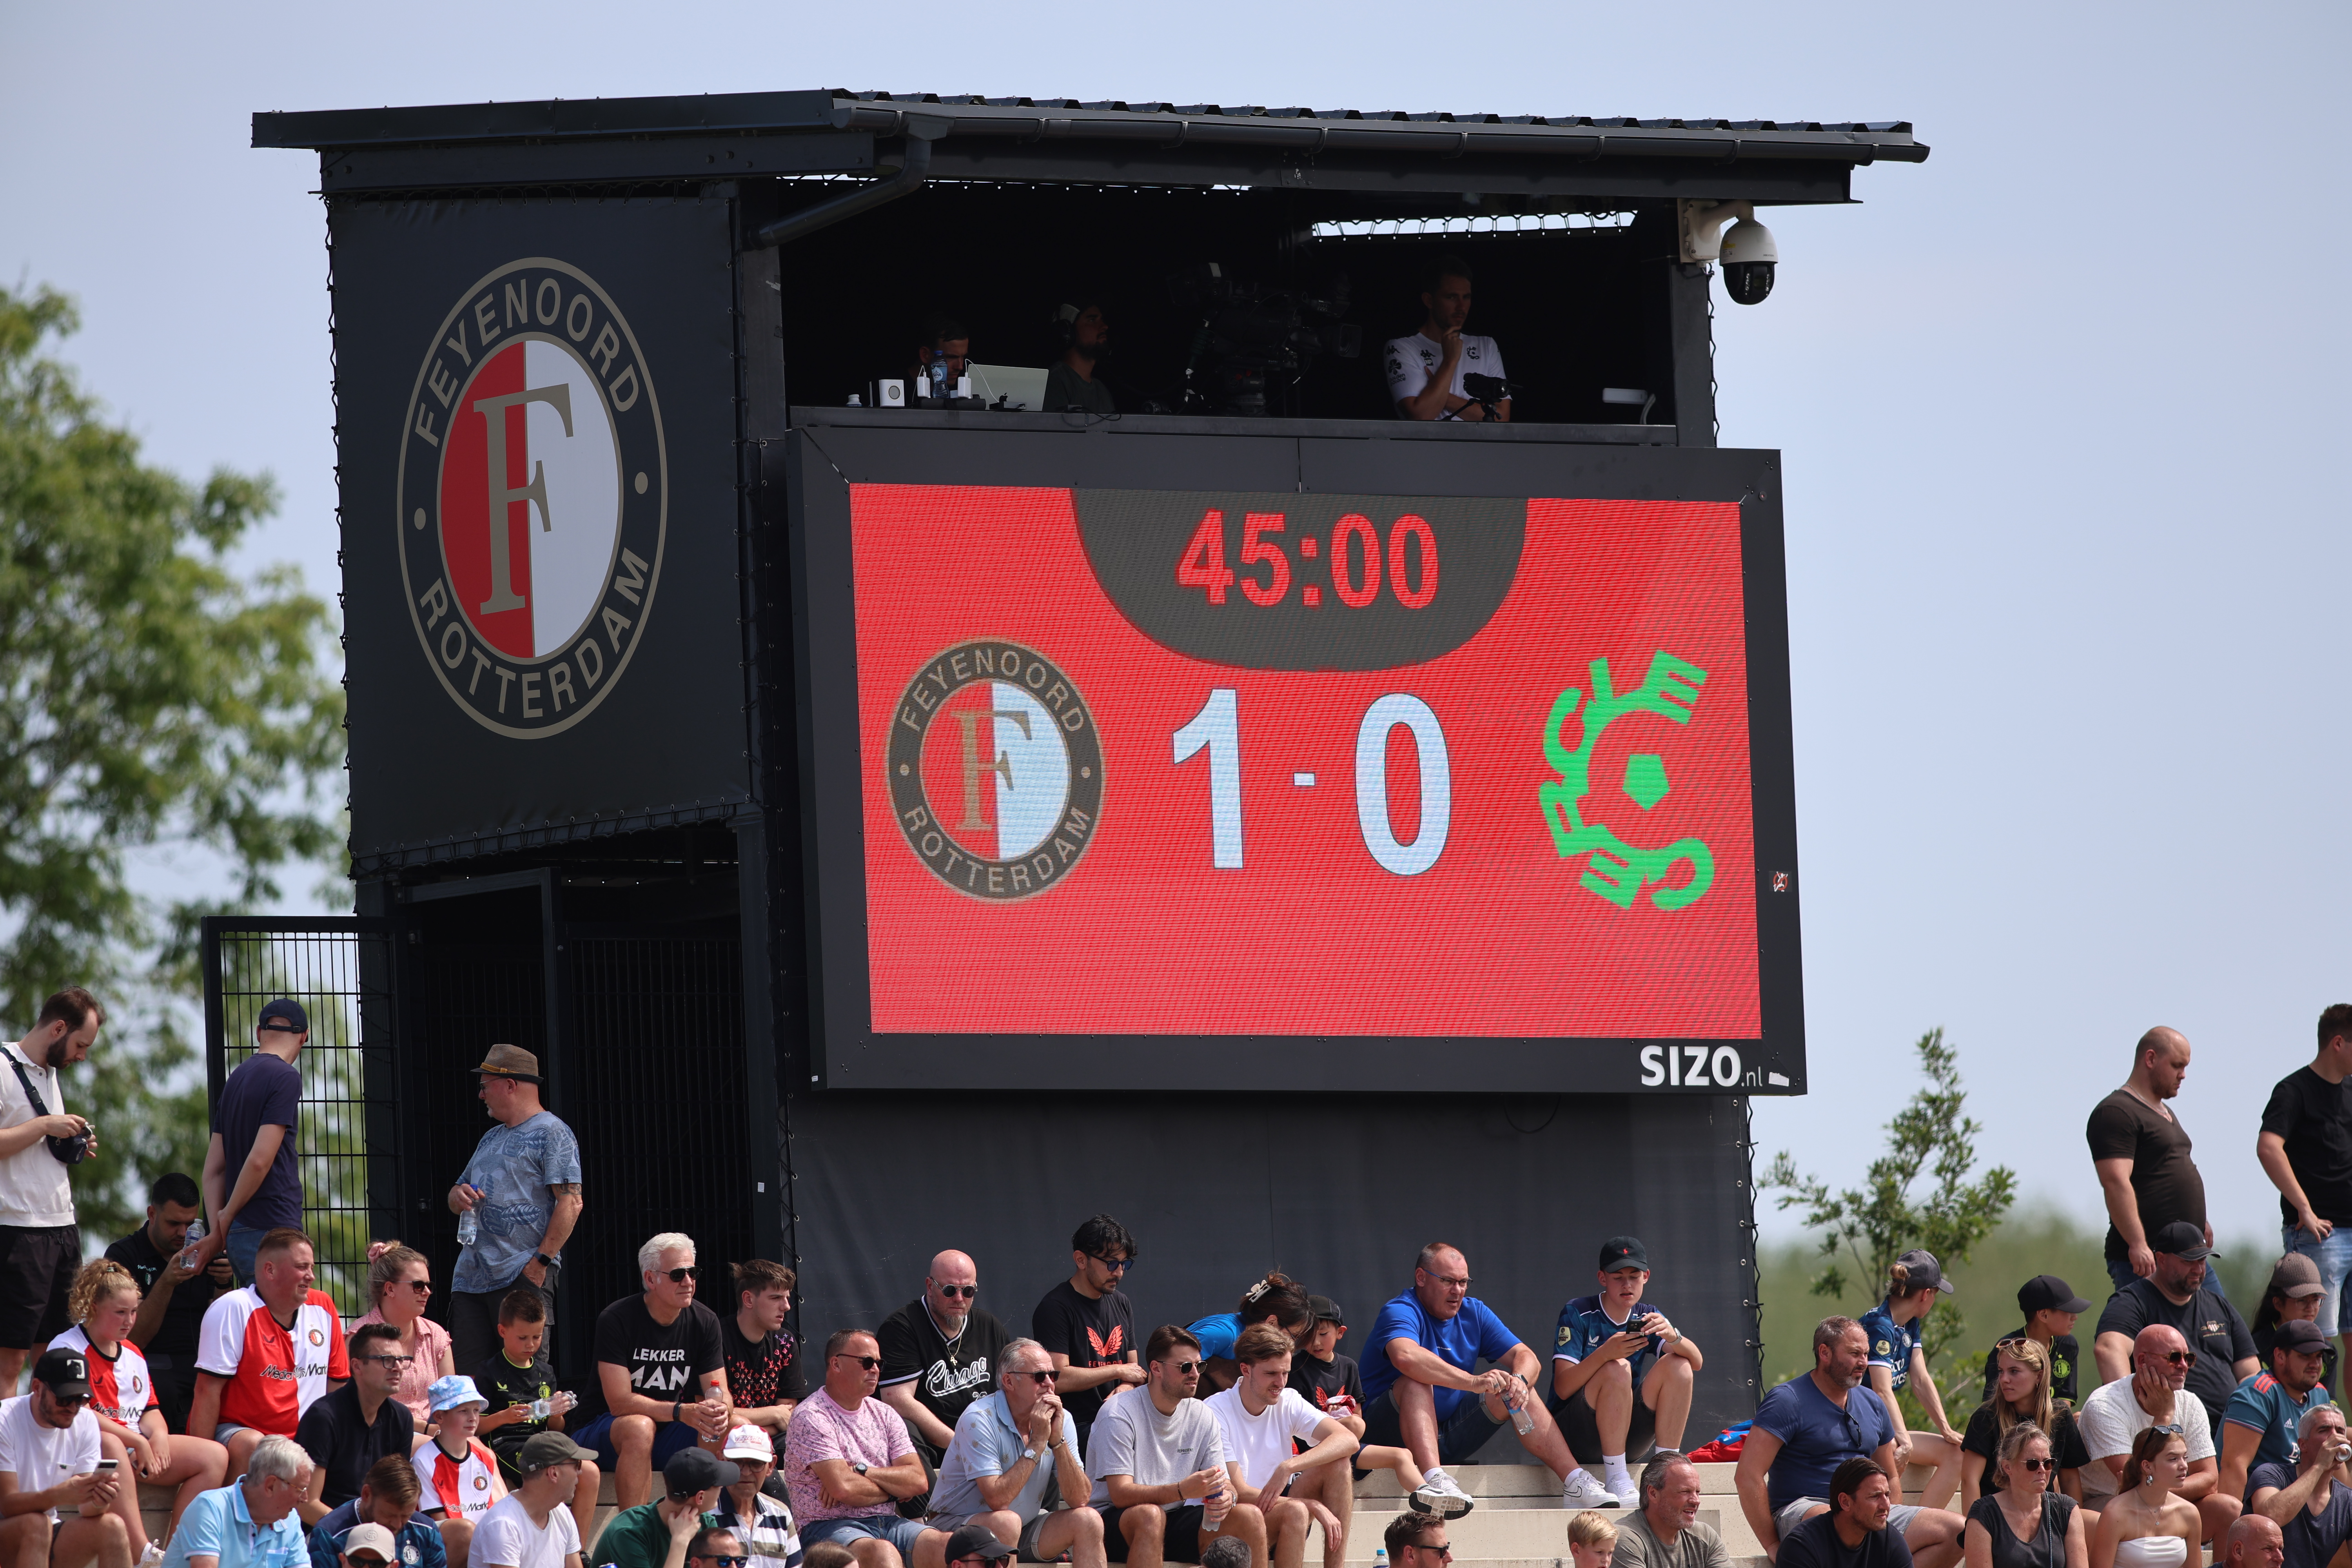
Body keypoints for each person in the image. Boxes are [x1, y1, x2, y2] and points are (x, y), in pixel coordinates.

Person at [1359, 1241, 1619, 1513]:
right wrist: (1472, 1382)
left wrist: (1518, 1380)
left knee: (1514, 1385)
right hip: (1385, 1439)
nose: (1457, 1291)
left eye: (1464, 1282)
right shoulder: (1400, 1309)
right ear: (1421, 1278)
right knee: (1415, 1380)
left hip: (1443, 1437)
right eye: (1448, 1281)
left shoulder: (1475, 1312)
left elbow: (1527, 1357)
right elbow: (1406, 1358)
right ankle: (1434, 1479)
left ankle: (1574, 1481)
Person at [1734, 1316, 1964, 1568]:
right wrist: (1772, 1546)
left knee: (1959, 1531)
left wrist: (1888, 1532)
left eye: (1866, 1354)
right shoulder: (1787, 1400)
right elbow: (1748, 1476)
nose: (1864, 1363)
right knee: (1836, 1522)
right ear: (1825, 1353)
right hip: (1807, 1509)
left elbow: (1891, 1477)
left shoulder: (1873, 1403)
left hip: (1865, 1509)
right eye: (1855, 1354)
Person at [56, 1259, 230, 1551]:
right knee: (111, 1444)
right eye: (121, 1313)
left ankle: (175, 1553)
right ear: (95, 1307)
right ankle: (143, 1554)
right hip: (84, 1448)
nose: (130, 1321)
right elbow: (79, 1415)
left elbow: (149, 1410)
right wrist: (138, 1441)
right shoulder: (68, 1348)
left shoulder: (134, 1353)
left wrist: (159, 1438)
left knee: (214, 1456)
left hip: (134, 1446)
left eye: (134, 1311)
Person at [446, 1045, 582, 1380]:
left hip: (522, 1275)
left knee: (524, 1380)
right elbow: (455, 1193)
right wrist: (457, 1196)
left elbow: (572, 1202)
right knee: (468, 1384)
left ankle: (523, 1437)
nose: (481, 1095)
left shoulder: (553, 1132)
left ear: (510, 1085)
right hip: (471, 1282)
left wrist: (541, 1264)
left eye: (485, 1085)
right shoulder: (490, 1138)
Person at [578, 1232, 731, 1510]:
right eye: (677, 1275)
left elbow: (720, 1390)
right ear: (650, 1279)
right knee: (640, 1426)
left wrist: (720, 1411)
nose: (688, 1282)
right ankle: (634, 1536)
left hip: (666, 1434)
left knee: (732, 1426)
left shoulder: (705, 1321)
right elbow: (619, 1402)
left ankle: (700, 1525)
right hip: (605, 1431)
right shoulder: (617, 1319)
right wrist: (680, 1411)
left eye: (693, 1273)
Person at [0, 987, 106, 1388]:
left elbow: (35, 1148)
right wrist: (46, 1125)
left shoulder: (51, 1073)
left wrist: (72, 1142)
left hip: (62, 1227)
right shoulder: (3, 1067)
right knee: (10, 1362)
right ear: (59, 1028)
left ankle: (46, 1449)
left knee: (57, 1358)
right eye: (80, 1044)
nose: (82, 1055)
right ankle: (8, 1452)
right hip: (17, 1229)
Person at [1284, 1298, 1448, 1557]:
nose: (1315, 1343)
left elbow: (1358, 1414)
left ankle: (1426, 1496)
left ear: (1340, 1333)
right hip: (1315, 1449)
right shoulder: (1296, 1368)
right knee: (1352, 1426)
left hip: (1348, 1445)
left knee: (1401, 1454)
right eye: (1309, 1335)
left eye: (1323, 1334)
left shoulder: (1348, 1367)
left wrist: (1348, 1424)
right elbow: (1296, 1422)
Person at [1552, 1237, 1704, 1506]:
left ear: (1646, 1277)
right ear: (1603, 1278)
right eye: (1618, 1277)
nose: (1627, 1285)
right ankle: (1617, 1477)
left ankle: (1665, 1470)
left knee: (1679, 1364)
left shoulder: (1646, 1316)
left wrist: (1674, 1336)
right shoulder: (1578, 1311)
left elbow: (1696, 1362)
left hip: (1624, 1435)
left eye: (1634, 1276)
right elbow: (1563, 1387)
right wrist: (1605, 1354)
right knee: (1617, 1367)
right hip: (1576, 1435)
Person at [192, 1227, 352, 1478]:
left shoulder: (323, 1306)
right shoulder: (234, 1308)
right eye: (302, 1267)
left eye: (311, 1267)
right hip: (242, 1433)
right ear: (270, 1270)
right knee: (256, 1445)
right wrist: (200, 1460)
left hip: (306, 1438)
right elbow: (206, 1392)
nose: (311, 1276)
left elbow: (337, 1389)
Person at [926, 1338, 1101, 1568]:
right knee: (1007, 1522)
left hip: (1021, 1528)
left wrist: (1057, 1441)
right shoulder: (979, 1418)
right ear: (1009, 1381)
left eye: (1053, 1375)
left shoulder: (1062, 1418)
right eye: (1039, 1377)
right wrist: (1038, 1443)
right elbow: (998, 1500)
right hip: (955, 1529)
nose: (1049, 1384)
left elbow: (1080, 1499)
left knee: (1089, 1520)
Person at [1083, 1325, 1245, 1568]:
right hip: (1113, 1522)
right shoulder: (1119, 1413)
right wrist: (1182, 1490)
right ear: (1156, 1368)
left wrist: (1228, 1496)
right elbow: (1120, 1495)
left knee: (1249, 1516)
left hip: (1172, 1517)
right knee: (1150, 1515)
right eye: (1185, 1367)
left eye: (1199, 1366)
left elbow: (1223, 1480)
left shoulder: (1203, 1414)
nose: (1195, 1374)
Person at [780, 1329, 944, 1568]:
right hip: (826, 1528)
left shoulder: (886, 1414)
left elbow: (918, 1481)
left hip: (888, 1522)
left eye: (879, 1363)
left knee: (949, 1546)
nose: (875, 1369)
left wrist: (861, 1470)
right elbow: (844, 1489)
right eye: (867, 1362)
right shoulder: (811, 1416)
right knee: (883, 1553)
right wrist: (895, 1491)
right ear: (836, 1364)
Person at [1203, 1324, 1356, 1568]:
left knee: (1338, 1464)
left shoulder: (1288, 1400)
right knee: (1295, 1511)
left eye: (1285, 1373)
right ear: (1246, 1369)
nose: (1280, 1383)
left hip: (1275, 1509)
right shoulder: (1214, 1411)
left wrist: (1288, 1467)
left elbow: (1348, 1440)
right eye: (1271, 1374)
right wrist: (1312, 1505)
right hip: (1232, 1519)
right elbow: (1239, 1492)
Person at [2258, 1006, 2352, 1371]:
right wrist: (2305, 1208)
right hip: (2320, 1235)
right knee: (2316, 1343)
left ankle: (2339, 1426)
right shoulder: (2293, 1090)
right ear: (2338, 1043)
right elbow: (2268, 1147)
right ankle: (2313, 1421)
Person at [2088, 1029, 2215, 1298]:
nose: (2183, 1075)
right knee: (2154, 1339)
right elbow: (2115, 1181)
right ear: (2150, 1059)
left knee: (2218, 1336)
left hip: (2192, 1257)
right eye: (2177, 1065)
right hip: (2150, 1264)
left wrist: (2199, 1221)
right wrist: (2137, 1244)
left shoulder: (2165, 1112)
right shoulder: (2117, 1112)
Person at [2092, 1223, 2257, 1428]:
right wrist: (2133, 1414)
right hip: (2168, 1431)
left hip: (2229, 1433)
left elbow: (2250, 1373)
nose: (2198, 1269)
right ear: (2161, 1259)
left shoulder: (2219, 1306)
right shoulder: (2133, 1302)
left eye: (2203, 1261)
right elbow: (2108, 1349)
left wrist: (2245, 1418)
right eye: (2189, 1261)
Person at [109, 1172, 236, 1434]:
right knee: (160, 1387)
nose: (183, 1234)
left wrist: (224, 1284)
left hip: (203, 1361)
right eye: (173, 1223)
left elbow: (224, 1331)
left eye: (190, 1225)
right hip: (150, 1360)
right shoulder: (123, 1255)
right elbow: (131, 1339)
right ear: (152, 1214)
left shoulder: (207, 1249)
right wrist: (166, 1283)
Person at [2076, 1327, 2232, 1541]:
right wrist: (2163, 1420)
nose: (2184, 1365)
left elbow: (2210, 1479)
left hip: (2166, 1498)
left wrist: (2157, 1489)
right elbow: (2133, 1482)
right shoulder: (2104, 1405)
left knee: (2227, 1508)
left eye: (2189, 1358)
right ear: (2142, 1361)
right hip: (2110, 1500)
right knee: (2136, 1509)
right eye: (2174, 1358)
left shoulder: (2191, 1403)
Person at [197, 1000, 306, 1289]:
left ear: (259, 1032)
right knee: (285, 1328)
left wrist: (219, 1230)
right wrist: (227, 1213)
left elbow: (213, 1170)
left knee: (255, 1327)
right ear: (303, 1038)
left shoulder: (235, 1080)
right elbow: (260, 1159)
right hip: (275, 1228)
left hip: (237, 1236)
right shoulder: (286, 1077)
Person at [0, 1345, 131, 1568]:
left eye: (80, 1399)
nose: (72, 1407)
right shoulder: (5, 1419)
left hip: (46, 1531)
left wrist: (99, 1499)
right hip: (12, 1530)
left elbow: (88, 1510)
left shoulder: (86, 1421)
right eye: (64, 1398)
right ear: (37, 1387)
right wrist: (59, 1495)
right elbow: (7, 1505)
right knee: (36, 1524)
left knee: (113, 1526)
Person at [877, 1251, 1008, 1467]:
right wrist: (961, 1445)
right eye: (949, 1290)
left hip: (986, 1442)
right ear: (930, 1287)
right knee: (906, 1430)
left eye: (967, 1291)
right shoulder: (902, 1327)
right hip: (931, 1450)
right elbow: (898, 1401)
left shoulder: (989, 1326)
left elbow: (1012, 1391)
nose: (959, 1299)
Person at [1862, 1252, 1966, 1513]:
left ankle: (1918, 1527)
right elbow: (1882, 1391)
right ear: (1925, 1294)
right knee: (1893, 1485)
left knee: (1957, 1454)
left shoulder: (1910, 1323)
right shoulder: (1879, 1325)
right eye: (1936, 1294)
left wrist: (1946, 1429)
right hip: (1860, 1430)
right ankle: (1904, 1537)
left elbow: (1920, 1379)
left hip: (1883, 1431)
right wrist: (1905, 1441)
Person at [1032, 1216, 1144, 1458]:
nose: (1120, 1273)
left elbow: (1134, 1369)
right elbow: (1058, 1378)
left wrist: (1126, 1385)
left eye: (1125, 1264)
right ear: (1081, 1260)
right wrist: (1118, 1371)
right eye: (1112, 1264)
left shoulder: (1121, 1302)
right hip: (1078, 1426)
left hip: (1122, 1418)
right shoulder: (1055, 1307)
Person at [297, 1322, 417, 1525]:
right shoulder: (323, 1417)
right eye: (387, 1360)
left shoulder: (402, 1418)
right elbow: (307, 1504)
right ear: (357, 1366)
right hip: (327, 1534)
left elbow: (397, 1495)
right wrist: (361, 1532)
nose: (397, 1367)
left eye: (401, 1360)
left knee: (456, 1532)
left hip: (384, 1525)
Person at [1959, 1338, 2091, 1511]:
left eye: (2014, 1371)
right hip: (1997, 1516)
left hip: (2045, 1515)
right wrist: (1974, 1527)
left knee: (2099, 1525)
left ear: (2039, 1375)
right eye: (2001, 1371)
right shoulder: (1987, 1417)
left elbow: (2070, 1480)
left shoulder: (2059, 1414)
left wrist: (2075, 1526)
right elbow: (1970, 1480)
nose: (2004, 1379)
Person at [2220, 1321, 2335, 1504]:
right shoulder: (2257, 1393)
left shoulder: (2320, 1393)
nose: (2315, 1364)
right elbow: (2233, 1467)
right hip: (2258, 1505)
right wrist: (2234, 1528)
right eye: (2306, 1356)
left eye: (2319, 1356)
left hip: (2300, 1498)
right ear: (2280, 1356)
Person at [161, 1434, 315, 1568]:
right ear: (271, 1486)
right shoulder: (210, 1508)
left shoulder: (291, 1519)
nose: (305, 1499)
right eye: (300, 1490)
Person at [1384, 258, 1508, 423]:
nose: (1461, 306)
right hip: (1425, 449)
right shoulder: (1401, 346)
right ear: (1429, 300)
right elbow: (1421, 416)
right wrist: (1450, 361)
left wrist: (1441, 396)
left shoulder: (1486, 345)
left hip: (1476, 449)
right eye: (1451, 297)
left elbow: (1502, 418)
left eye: (1466, 297)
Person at [352, 1243, 456, 1430]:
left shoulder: (436, 1335)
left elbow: (450, 1400)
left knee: (483, 1454)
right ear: (390, 1289)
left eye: (428, 1285)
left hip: (436, 1434)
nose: (427, 1292)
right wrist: (426, 1430)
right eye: (418, 1286)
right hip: (382, 1434)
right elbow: (359, 1406)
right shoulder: (358, 1338)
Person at [1963, 1424, 2087, 1568]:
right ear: (2008, 1467)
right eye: (2032, 1464)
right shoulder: (1984, 1514)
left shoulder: (2067, 1510)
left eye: (2048, 1463)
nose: (2042, 1470)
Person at [2247, 1403, 2352, 1568]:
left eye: (2340, 1431)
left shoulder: (2348, 1500)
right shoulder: (2270, 1474)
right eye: (2324, 1430)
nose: (2335, 1438)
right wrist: (2319, 1467)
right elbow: (2270, 1517)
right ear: (2303, 1445)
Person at [470, 1432, 594, 1568]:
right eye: (577, 1465)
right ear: (554, 1473)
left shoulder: (562, 1512)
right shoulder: (503, 1525)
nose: (580, 1472)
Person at [597, 1447, 735, 1568]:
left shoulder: (705, 1523)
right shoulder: (629, 1532)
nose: (722, 1487)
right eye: (718, 1484)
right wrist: (680, 1542)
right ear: (700, 1497)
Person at [418, 1376, 506, 1563]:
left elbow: (499, 1510)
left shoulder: (485, 1457)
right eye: (464, 1411)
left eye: (476, 1410)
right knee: (464, 1532)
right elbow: (443, 1526)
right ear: (439, 1416)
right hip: (449, 1548)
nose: (473, 1418)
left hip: (488, 1544)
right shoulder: (424, 1460)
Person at [309, 1456, 450, 1568]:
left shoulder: (427, 1531)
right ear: (367, 1494)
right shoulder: (328, 1534)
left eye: (407, 1515)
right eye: (390, 1515)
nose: (398, 1524)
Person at [2088, 1427, 2199, 1568]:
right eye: (2173, 1459)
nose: (2184, 1466)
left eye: (2185, 1457)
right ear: (2147, 1466)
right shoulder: (2115, 1513)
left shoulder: (2190, 1513)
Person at [1776, 1458, 1917, 1568]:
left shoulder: (1889, 1540)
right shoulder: (1802, 1546)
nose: (1886, 1505)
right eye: (1875, 1496)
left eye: (1887, 1495)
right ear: (1845, 1502)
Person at [1188, 1274, 1313, 1396]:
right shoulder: (1224, 1334)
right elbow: (1175, 1366)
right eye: (1293, 1335)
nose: (1291, 1343)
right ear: (1271, 1322)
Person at [726, 1262, 807, 1445]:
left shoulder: (786, 1341)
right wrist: (773, 1413)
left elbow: (787, 1417)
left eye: (787, 1298)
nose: (786, 1306)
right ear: (748, 1300)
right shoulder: (716, 1338)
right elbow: (713, 1414)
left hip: (772, 1439)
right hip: (723, 1441)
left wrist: (775, 1418)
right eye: (776, 1298)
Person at [1980, 1280, 2092, 1408]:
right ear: (2044, 1315)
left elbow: (2064, 1401)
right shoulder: (2006, 1350)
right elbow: (1992, 1406)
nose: (2075, 1317)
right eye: (2068, 1311)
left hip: (2052, 1421)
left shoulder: (2068, 1345)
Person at [1610, 1453, 1729, 1568]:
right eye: (1685, 1492)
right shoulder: (1626, 1538)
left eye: (1697, 1492)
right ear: (1653, 1494)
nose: (1696, 1501)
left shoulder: (1705, 1536)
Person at [713, 1425, 804, 1568]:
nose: (747, 1472)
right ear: (721, 1461)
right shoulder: (705, 1515)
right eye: (737, 1462)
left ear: (771, 1466)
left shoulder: (781, 1514)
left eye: (756, 1464)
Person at [2248, 1256, 2326, 1367]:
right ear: (2278, 1304)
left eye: (2315, 1300)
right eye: (2302, 1300)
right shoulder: (2253, 1349)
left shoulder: (2328, 1352)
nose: (2311, 1308)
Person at [1041, 305, 1114, 417]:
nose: (1104, 327)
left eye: (1102, 320)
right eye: (1092, 320)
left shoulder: (1102, 390)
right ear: (1068, 332)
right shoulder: (1055, 380)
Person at [906, 315, 972, 402]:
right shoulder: (892, 389)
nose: (960, 367)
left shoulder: (960, 393)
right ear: (925, 355)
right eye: (950, 357)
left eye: (963, 357)